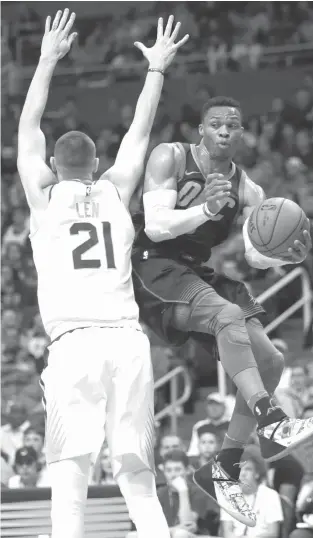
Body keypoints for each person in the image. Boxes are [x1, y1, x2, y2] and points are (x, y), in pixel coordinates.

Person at [17, 9, 188, 538]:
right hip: (127, 341)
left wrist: (46, 60)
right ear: (95, 164)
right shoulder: (116, 191)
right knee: (137, 472)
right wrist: (156, 69)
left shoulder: (43, 198)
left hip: (75, 343)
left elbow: (27, 129)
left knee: (71, 472)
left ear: (55, 166)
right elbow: (140, 131)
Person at [132, 95, 313, 524]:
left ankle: (223, 464)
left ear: (241, 134)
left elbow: (255, 254)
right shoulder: (171, 156)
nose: (224, 130)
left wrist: (285, 257)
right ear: (201, 130)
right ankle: (270, 418)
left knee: (271, 361)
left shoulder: (248, 188)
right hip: (154, 267)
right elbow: (155, 225)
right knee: (226, 315)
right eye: (216, 124)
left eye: (233, 125)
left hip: (198, 273)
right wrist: (204, 208)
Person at [220, 446, 284, 537]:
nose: (243, 474)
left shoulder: (270, 495)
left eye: (248, 469)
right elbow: (227, 532)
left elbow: (273, 534)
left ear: (257, 473)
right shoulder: (228, 495)